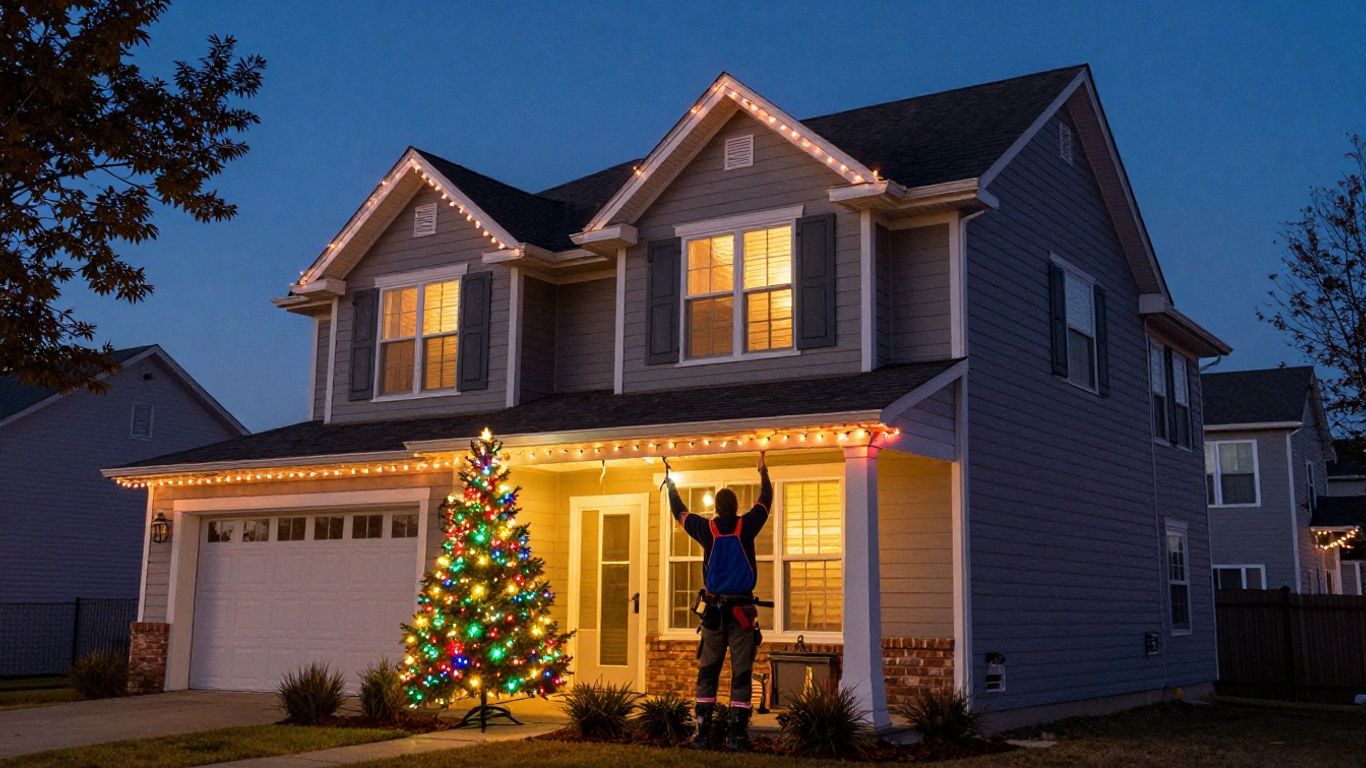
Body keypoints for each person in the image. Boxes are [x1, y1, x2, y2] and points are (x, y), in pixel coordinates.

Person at [664, 453, 771, 750]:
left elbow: (680, 513)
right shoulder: (747, 525)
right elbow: (765, 501)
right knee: (742, 672)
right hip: (742, 614)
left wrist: (671, 485)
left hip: (713, 614)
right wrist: (763, 472)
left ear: (716, 508)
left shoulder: (706, 530)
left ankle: (702, 734)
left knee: (708, 672)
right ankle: (738, 736)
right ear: (735, 508)